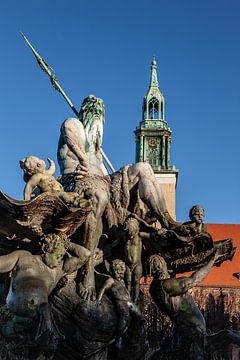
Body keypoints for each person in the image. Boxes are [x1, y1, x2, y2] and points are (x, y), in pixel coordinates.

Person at [0, 234, 90, 347]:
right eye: (57, 256)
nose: (59, 260)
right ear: (46, 249)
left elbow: (85, 255)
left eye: (61, 257)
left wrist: (66, 244)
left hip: (38, 321)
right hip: (12, 314)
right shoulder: (24, 257)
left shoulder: (58, 270)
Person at [148, 252, 240, 359]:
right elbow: (194, 280)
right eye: (164, 263)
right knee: (226, 335)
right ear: (160, 266)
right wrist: (212, 261)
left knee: (228, 334)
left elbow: (183, 305)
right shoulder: (167, 284)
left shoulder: (154, 288)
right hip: (192, 331)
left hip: (184, 330)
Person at [97, 259, 142, 349]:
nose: (120, 275)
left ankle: (131, 333)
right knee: (125, 317)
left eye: (122, 273)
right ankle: (119, 337)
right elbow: (103, 288)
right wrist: (98, 300)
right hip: (120, 302)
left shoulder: (122, 281)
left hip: (129, 302)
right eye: (117, 273)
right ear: (112, 271)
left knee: (139, 316)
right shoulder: (111, 280)